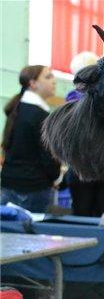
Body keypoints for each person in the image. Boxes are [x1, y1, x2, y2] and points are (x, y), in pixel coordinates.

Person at [64, 52, 104, 217]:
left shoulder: (73, 101)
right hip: (97, 168)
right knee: (99, 219)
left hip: (97, 169)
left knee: (86, 218)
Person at [1, 65, 60, 213]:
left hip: (9, 184)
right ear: (33, 84)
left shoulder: (18, 108)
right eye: (48, 77)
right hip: (33, 190)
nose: (54, 81)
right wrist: (54, 177)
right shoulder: (39, 115)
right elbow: (48, 156)